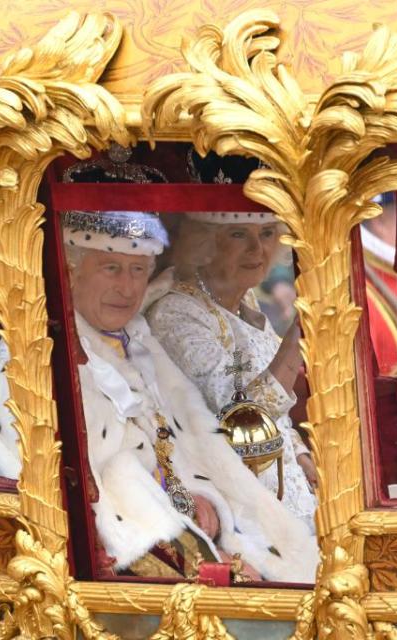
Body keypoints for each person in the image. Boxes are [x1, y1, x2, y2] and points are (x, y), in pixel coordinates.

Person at [0, 206, 317, 583]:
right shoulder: (35, 361)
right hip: (129, 551)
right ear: (71, 273)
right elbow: (95, 502)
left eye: (138, 270)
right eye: (111, 268)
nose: (127, 288)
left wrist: (203, 496)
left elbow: (184, 449)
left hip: (193, 525)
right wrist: (210, 554)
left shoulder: (137, 341)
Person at [146, 151, 318, 528]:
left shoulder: (243, 301)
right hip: (237, 511)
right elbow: (244, 416)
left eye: (267, 234)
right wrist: (302, 329)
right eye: (239, 234)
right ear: (206, 241)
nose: (257, 250)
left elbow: (279, 418)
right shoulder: (176, 314)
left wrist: (303, 457)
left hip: (289, 495)